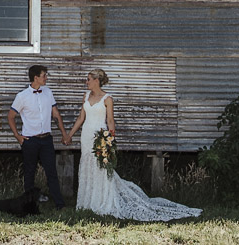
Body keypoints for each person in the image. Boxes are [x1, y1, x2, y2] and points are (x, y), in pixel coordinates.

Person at [66, 69, 202, 221]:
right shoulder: (85, 96)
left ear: (96, 81)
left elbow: (110, 121)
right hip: (86, 136)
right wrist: (69, 135)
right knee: (87, 165)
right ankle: (87, 202)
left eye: (89, 79)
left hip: (100, 137)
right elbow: (80, 118)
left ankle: (103, 201)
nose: (87, 82)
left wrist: (110, 140)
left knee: (101, 168)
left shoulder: (107, 98)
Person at [8, 64, 69, 210]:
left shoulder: (48, 92)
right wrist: (18, 136)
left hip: (46, 139)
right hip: (30, 140)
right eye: (44, 75)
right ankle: (28, 204)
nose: (46, 78)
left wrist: (64, 133)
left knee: (51, 172)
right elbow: (10, 116)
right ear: (36, 78)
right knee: (29, 172)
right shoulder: (22, 96)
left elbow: (56, 114)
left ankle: (59, 204)